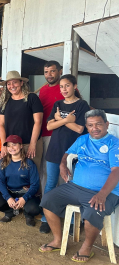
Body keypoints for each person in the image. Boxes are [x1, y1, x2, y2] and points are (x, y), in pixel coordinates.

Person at [39, 110, 119, 262]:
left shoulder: (114, 144)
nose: (94, 128)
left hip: (106, 192)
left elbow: (116, 171)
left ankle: (87, 247)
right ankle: (57, 240)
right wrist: (63, 164)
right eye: (90, 125)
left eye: (98, 124)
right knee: (48, 200)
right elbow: (67, 153)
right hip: (76, 187)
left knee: (92, 212)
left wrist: (102, 194)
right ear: (86, 127)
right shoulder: (82, 140)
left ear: (107, 125)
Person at [39, 74, 90, 234]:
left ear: (74, 86)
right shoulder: (58, 103)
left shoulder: (82, 105)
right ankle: (46, 217)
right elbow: (48, 126)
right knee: (50, 183)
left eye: (67, 85)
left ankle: (74, 220)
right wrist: (67, 120)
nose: (64, 89)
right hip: (55, 149)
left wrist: (59, 120)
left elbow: (80, 129)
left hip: (74, 152)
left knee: (73, 186)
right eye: (61, 87)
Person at [0, 135, 41, 226]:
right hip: (11, 191)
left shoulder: (29, 163)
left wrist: (24, 198)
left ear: (21, 146)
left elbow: (35, 184)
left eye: (14, 144)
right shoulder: (3, 162)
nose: (11, 148)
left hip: (25, 192)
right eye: (8, 146)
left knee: (34, 208)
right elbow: (0, 182)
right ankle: (10, 212)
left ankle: (28, 215)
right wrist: (8, 198)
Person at [0, 71, 43, 169]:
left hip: (29, 144)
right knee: (14, 176)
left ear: (21, 83)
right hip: (12, 147)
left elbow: (38, 122)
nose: (12, 86)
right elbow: (1, 124)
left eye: (14, 82)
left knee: (32, 175)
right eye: (9, 84)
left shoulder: (32, 98)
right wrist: (4, 145)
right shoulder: (5, 101)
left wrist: (32, 144)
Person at [38, 61, 63, 197]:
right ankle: (47, 204)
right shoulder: (43, 89)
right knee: (46, 171)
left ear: (60, 71)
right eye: (46, 72)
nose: (49, 75)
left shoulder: (66, 87)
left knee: (62, 169)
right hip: (45, 134)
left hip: (62, 135)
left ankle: (61, 202)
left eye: (52, 71)